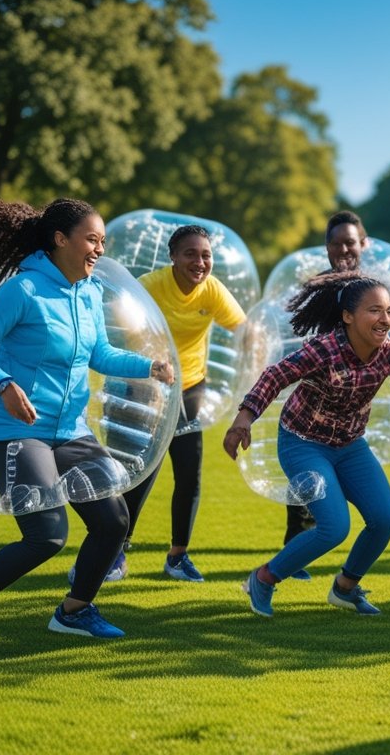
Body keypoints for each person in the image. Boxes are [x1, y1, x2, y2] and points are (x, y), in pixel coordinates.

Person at [0, 192, 175, 662]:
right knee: (46, 535)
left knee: (113, 521)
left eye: (103, 241)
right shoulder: (24, 290)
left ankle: (74, 612)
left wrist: (149, 366)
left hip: (71, 431)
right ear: (60, 239)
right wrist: (2, 384)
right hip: (16, 432)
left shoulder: (90, 292)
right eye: (92, 239)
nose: (99, 249)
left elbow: (100, 354)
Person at [226, 272, 390, 617]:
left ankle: (345, 588)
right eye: (374, 310)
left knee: (384, 518)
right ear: (348, 316)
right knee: (334, 528)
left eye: (389, 311)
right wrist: (244, 417)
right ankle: (263, 578)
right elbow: (276, 375)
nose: (385, 319)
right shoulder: (324, 349)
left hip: (350, 446)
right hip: (302, 444)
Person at [112, 225, 246, 583]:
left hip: (190, 388)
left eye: (206, 255)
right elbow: (126, 333)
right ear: (173, 256)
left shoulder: (212, 289)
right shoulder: (150, 286)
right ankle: (115, 551)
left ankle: (178, 556)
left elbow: (243, 329)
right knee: (141, 472)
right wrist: (154, 372)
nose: (199, 262)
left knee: (189, 473)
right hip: (148, 386)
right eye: (190, 254)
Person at [275, 210, 375, 581]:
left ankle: (315, 546)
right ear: (327, 248)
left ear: (363, 244)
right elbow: (294, 340)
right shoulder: (316, 290)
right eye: (336, 244)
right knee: (307, 481)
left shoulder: (373, 290)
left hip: (353, 409)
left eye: (350, 242)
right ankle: (294, 549)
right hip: (313, 403)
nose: (344, 250)